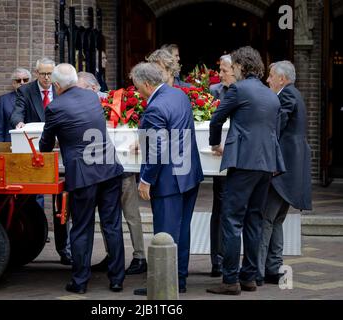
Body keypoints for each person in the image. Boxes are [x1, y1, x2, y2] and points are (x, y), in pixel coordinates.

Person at [39, 63, 125, 294]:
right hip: (109, 169)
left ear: (56, 85)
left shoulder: (55, 107)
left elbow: (46, 144)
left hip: (83, 175)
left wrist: (57, 142)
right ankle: (117, 279)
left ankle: (80, 281)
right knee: (112, 226)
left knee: (81, 228)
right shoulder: (92, 97)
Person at [207, 46, 285, 295]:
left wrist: (214, 143)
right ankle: (249, 277)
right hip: (266, 164)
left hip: (243, 163)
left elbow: (217, 118)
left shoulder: (239, 89)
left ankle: (230, 280)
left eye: (235, 66)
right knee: (254, 220)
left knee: (231, 220)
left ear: (241, 66)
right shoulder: (271, 94)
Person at [131, 62, 204, 295]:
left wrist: (145, 180)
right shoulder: (178, 95)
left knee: (165, 233)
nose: (136, 92)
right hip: (188, 174)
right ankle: (178, 279)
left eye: (136, 86)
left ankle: (164, 283)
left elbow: (156, 149)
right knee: (181, 231)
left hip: (168, 180)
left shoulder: (155, 107)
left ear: (146, 84)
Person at [77, 71, 147, 275]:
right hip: (100, 171)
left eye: (82, 89)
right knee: (108, 218)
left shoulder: (117, 102)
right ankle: (111, 256)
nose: (78, 93)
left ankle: (140, 256)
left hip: (123, 169)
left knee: (131, 214)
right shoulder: (83, 107)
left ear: (94, 88)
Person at [10, 57, 72, 265]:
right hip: (35, 153)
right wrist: (18, 122)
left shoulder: (61, 88)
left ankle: (64, 249)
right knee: (28, 202)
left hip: (60, 153)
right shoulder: (26, 91)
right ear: (36, 73)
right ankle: (26, 240)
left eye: (50, 74)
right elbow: (17, 112)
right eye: (43, 74)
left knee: (61, 204)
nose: (47, 78)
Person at [257, 61, 312, 286]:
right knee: (277, 219)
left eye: (270, 76)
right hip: (291, 171)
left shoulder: (287, 95)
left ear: (282, 78)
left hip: (282, 170)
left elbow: (275, 127)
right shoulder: (294, 94)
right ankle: (273, 268)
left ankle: (257, 271)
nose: (267, 80)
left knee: (265, 219)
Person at [208, 54, 236, 278]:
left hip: (241, 159)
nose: (220, 73)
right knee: (219, 208)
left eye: (224, 69)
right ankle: (217, 261)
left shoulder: (245, 91)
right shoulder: (214, 91)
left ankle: (233, 260)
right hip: (220, 158)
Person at [0, 68, 32, 142]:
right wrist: (0, 147)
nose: (22, 82)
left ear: (30, 82)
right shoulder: (3, 100)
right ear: (13, 83)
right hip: (10, 143)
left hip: (32, 142)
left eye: (25, 80)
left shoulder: (35, 98)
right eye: (18, 80)